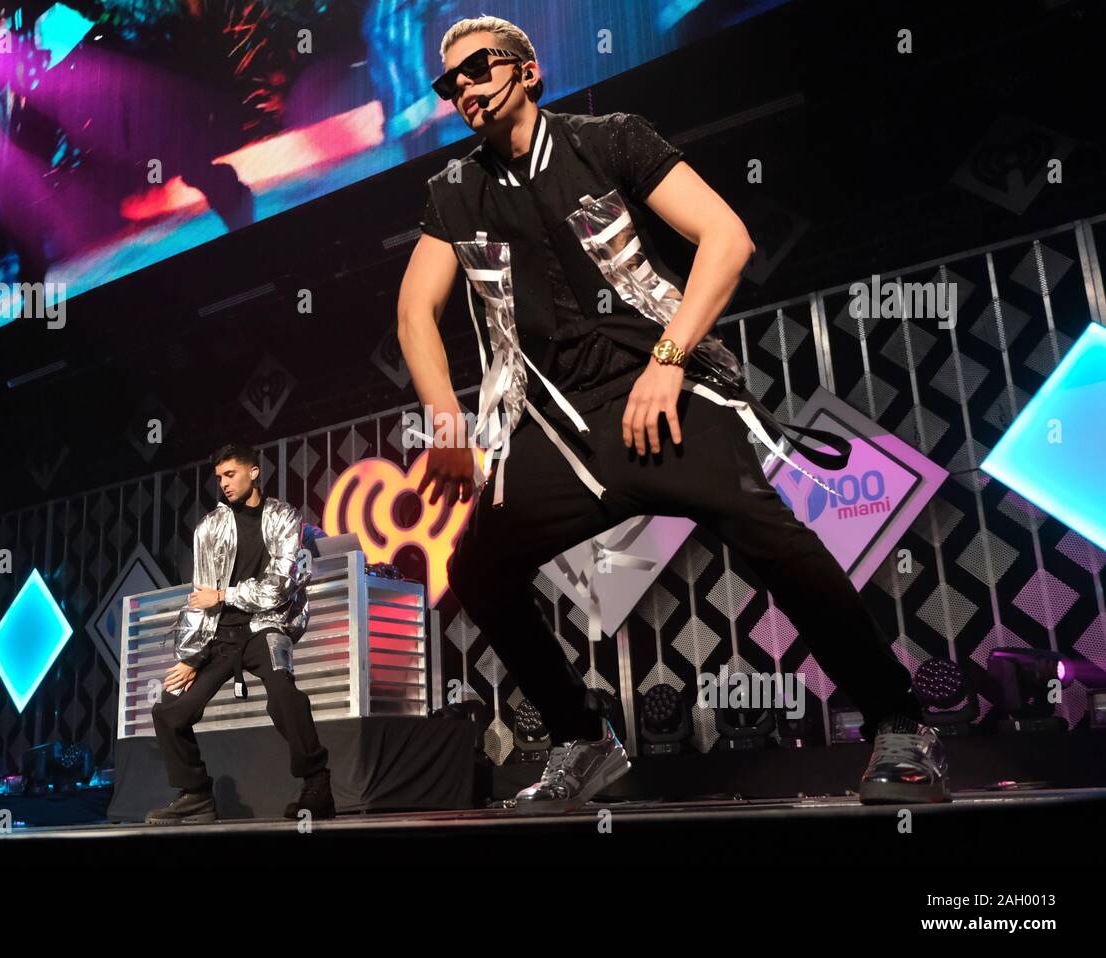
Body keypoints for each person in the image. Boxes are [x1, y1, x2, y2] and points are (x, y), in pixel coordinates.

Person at [395, 15, 948, 813]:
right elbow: (417, 311)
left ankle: (899, 723)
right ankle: (582, 742)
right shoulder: (453, 191)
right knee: (477, 566)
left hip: (667, 396)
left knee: (777, 541)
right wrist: (448, 426)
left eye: (478, 69)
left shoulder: (611, 139)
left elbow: (726, 236)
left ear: (527, 69)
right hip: (561, 430)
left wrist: (668, 361)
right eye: (450, 84)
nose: (464, 91)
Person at [145, 442, 334, 823]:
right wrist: (192, 657)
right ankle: (196, 794)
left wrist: (226, 594)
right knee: (169, 709)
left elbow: (281, 584)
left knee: (284, 696)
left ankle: (317, 784)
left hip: (267, 627)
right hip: (220, 636)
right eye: (219, 478)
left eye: (230, 474)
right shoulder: (209, 528)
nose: (224, 484)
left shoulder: (284, 517)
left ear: (253, 472)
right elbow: (200, 597)